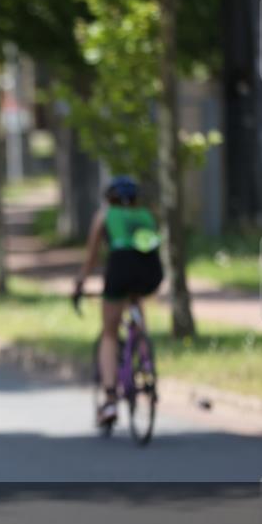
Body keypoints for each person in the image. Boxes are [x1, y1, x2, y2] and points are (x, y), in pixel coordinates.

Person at [73, 175, 163, 427]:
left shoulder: (105, 215)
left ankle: (111, 399)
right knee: (135, 302)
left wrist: (80, 284)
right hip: (150, 271)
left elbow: (91, 258)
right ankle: (146, 364)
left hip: (121, 268)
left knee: (110, 334)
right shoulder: (147, 215)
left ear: (109, 198)